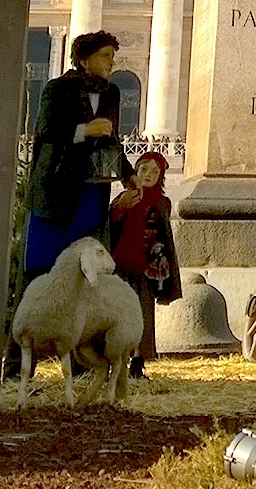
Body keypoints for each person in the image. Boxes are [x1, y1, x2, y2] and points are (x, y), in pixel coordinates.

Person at [25, 33, 126, 275]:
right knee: (45, 263)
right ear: (84, 60)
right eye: (105, 56)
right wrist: (84, 130)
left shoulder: (111, 93)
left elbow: (111, 139)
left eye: (112, 56)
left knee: (83, 262)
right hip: (56, 187)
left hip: (93, 188)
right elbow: (46, 130)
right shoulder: (58, 88)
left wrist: (129, 176)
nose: (111, 62)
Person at [101, 149, 182, 373]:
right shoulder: (125, 197)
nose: (148, 175)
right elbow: (112, 222)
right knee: (119, 312)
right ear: (135, 171)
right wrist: (121, 209)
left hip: (148, 267)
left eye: (155, 172)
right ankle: (114, 359)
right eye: (144, 169)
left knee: (143, 313)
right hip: (122, 264)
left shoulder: (162, 203)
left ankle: (138, 360)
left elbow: (164, 235)